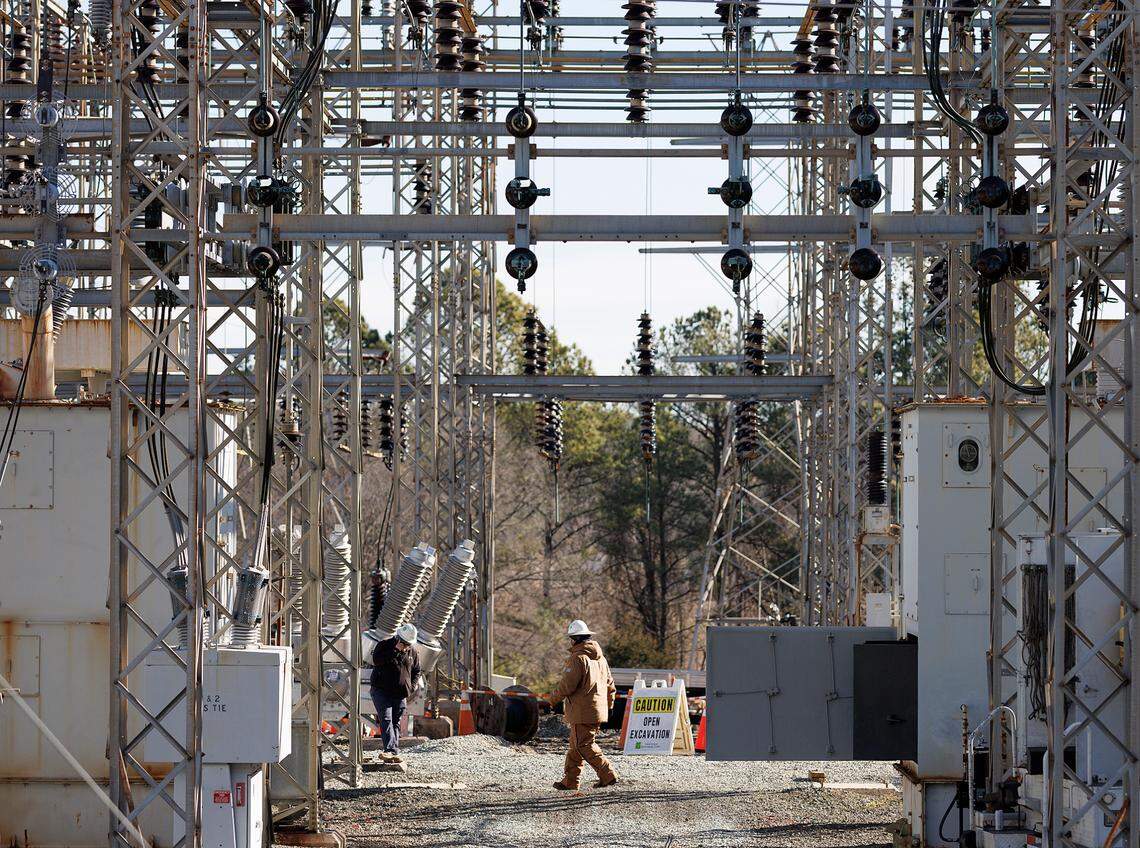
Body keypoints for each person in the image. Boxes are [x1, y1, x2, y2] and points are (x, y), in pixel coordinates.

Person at [548, 619, 618, 790]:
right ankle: (570, 781)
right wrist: (608, 706)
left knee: (582, 745)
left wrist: (552, 699)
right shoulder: (602, 659)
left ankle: (607, 774)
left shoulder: (578, 658)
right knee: (576, 744)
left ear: (573, 639)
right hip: (597, 710)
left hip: (583, 710)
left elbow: (567, 685)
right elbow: (611, 685)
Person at [369, 622, 421, 762]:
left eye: (408, 644)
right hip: (381, 690)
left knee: (395, 721)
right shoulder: (384, 645)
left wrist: (412, 685)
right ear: (398, 638)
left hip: (400, 693)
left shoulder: (412, 652)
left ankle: (393, 750)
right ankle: (390, 750)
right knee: (386, 719)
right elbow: (377, 660)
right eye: (404, 643)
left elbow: (416, 671)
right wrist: (395, 651)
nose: (406, 647)